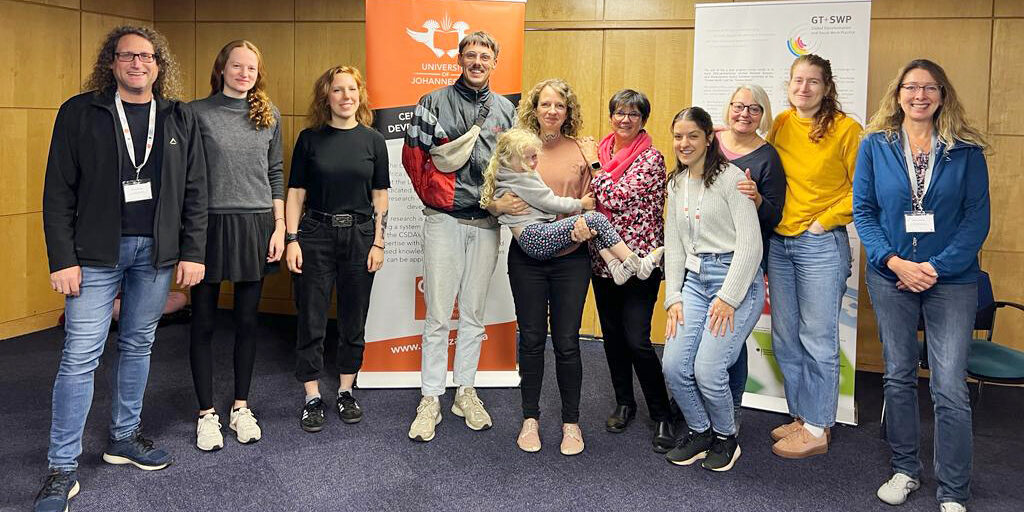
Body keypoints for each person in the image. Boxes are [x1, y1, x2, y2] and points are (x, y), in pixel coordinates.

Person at [36, 25, 207, 512]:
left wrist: (192, 251)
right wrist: (62, 258)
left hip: (156, 254)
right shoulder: (80, 112)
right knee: (79, 356)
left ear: (159, 64)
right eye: (127, 56)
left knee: (139, 343)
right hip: (93, 256)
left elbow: (196, 189)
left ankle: (123, 437)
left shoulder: (178, 116)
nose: (138, 64)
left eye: (147, 56)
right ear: (111, 63)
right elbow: (57, 191)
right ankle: (61, 467)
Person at [854, 59, 989, 512]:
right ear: (898, 95)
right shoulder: (875, 146)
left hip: (951, 280)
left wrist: (933, 266)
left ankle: (953, 490)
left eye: (930, 88)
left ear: (942, 95)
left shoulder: (965, 150)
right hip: (890, 276)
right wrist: (893, 261)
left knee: (948, 385)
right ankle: (906, 469)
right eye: (911, 87)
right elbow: (864, 211)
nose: (920, 95)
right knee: (897, 375)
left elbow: (976, 219)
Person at [402, 31, 516, 442]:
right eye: (471, 54)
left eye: (485, 55)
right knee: (437, 315)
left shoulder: (507, 110)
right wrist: (446, 198)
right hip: (444, 221)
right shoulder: (431, 103)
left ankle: (464, 389)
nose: (478, 61)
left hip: (487, 225)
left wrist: (500, 204)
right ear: (459, 59)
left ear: (494, 62)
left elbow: (514, 167)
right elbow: (414, 160)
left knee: (472, 314)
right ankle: (431, 396)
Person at [188, 39, 284, 451]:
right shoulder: (195, 113)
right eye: (236, 66)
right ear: (222, 68)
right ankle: (206, 413)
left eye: (251, 67)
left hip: (256, 225)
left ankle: (240, 407)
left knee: (247, 322)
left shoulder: (270, 114)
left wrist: (280, 227)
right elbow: (186, 175)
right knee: (204, 322)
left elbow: (276, 171)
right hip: (208, 225)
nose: (244, 73)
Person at [766, 54, 861, 459]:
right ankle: (803, 416)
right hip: (780, 243)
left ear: (827, 87)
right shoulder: (783, 123)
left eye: (813, 82)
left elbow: (866, 190)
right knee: (786, 337)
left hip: (820, 243)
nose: (803, 88)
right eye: (797, 81)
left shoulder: (847, 129)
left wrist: (825, 221)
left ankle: (819, 426)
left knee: (818, 339)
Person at [285, 66, 389, 433]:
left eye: (352, 89)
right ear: (325, 97)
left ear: (360, 95)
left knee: (353, 319)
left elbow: (380, 196)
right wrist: (292, 239)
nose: (346, 96)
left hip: (361, 236)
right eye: (338, 90)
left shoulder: (373, 141)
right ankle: (312, 395)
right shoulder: (309, 139)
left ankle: (346, 389)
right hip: (315, 234)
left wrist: (378, 241)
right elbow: (295, 192)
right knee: (311, 317)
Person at [661, 106, 764, 472]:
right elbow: (673, 244)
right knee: (673, 366)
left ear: (709, 139)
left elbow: (752, 246)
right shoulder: (676, 184)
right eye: (678, 136)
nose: (684, 143)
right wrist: (673, 296)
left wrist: (729, 297)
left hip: (735, 284)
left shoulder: (732, 180)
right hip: (694, 281)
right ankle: (701, 431)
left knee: (708, 369)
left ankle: (725, 437)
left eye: (692, 136)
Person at [499, 79, 596, 455]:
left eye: (559, 105)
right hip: (527, 259)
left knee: (568, 343)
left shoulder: (581, 149)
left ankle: (571, 423)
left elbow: (596, 199)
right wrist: (497, 207)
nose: (552, 111)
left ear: (568, 111)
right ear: (534, 109)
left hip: (571, 259)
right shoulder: (519, 146)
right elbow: (494, 191)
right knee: (533, 339)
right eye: (545, 105)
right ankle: (530, 418)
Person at [590, 89, 674, 453]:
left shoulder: (651, 159)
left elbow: (613, 197)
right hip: (602, 261)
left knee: (637, 339)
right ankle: (625, 402)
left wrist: (593, 169)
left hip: (640, 263)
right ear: (611, 116)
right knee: (612, 336)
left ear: (643, 121)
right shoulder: (604, 149)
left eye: (633, 115)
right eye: (619, 113)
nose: (625, 120)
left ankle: (662, 413)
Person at [481, 129, 663, 283]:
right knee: (596, 219)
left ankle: (615, 267)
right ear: (507, 159)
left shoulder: (510, 172)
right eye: (525, 159)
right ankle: (637, 264)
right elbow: (549, 202)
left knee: (593, 226)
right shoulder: (520, 179)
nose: (532, 163)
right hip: (534, 236)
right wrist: (580, 203)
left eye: (535, 156)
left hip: (534, 237)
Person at [717, 84, 786, 429]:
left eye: (754, 109)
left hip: (742, 261)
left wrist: (757, 198)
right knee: (699, 333)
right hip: (702, 256)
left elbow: (775, 216)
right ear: (728, 108)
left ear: (763, 115)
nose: (744, 114)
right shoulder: (709, 142)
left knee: (731, 337)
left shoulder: (767, 157)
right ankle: (695, 406)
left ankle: (730, 410)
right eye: (739, 106)